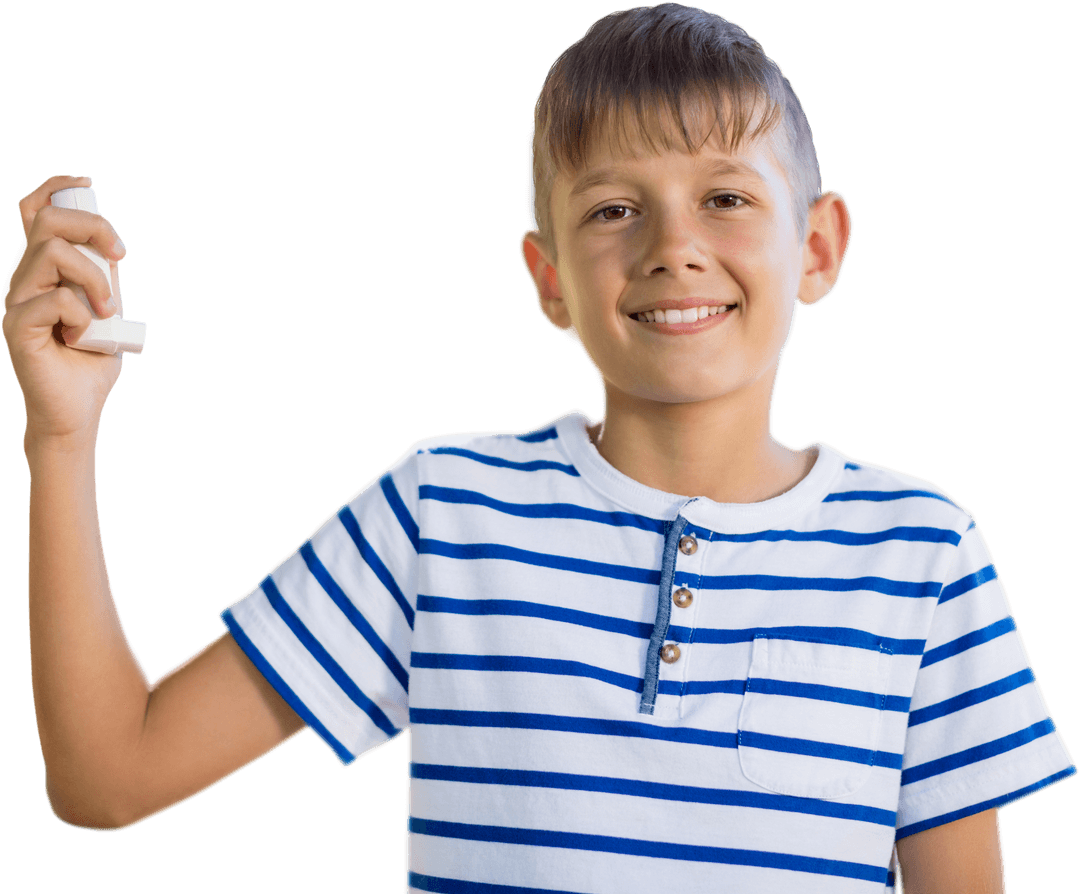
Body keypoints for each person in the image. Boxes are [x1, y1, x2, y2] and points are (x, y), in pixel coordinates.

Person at [3, 3, 1073, 891]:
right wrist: (63, 436)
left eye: (726, 198)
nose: (673, 248)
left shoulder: (922, 555)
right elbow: (107, 778)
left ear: (820, 245)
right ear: (550, 279)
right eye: (614, 209)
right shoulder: (443, 512)